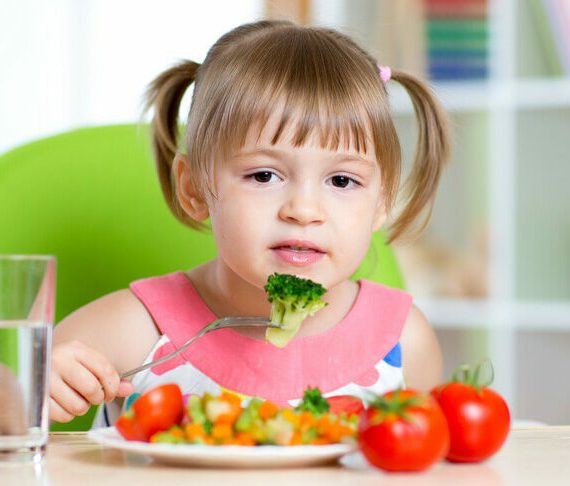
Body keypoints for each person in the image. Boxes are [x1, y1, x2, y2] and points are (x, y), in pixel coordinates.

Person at [49, 19, 450, 426]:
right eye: (263, 176)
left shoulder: (404, 341)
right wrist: (34, 389)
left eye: (342, 180)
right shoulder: (136, 330)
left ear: (381, 201)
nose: (304, 209)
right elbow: (13, 410)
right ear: (195, 189)